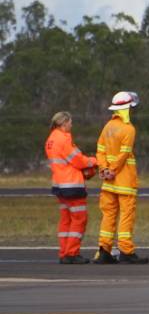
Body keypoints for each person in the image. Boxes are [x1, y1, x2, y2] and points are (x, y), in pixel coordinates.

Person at [94, 91, 148, 263]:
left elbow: (100, 150)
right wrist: (113, 170)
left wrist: (103, 169)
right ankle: (126, 250)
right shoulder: (128, 129)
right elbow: (124, 154)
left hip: (108, 182)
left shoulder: (107, 126)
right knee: (126, 215)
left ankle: (104, 250)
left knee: (108, 215)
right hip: (124, 181)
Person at [45, 111, 97, 264]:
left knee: (66, 219)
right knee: (79, 219)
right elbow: (78, 160)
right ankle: (72, 253)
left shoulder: (51, 139)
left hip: (59, 185)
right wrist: (94, 161)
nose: (71, 125)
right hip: (72, 185)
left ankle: (64, 253)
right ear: (64, 123)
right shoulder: (64, 138)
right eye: (70, 122)